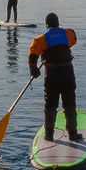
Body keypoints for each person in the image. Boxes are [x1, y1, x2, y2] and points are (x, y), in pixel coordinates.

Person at [28, 12, 82, 144]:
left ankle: (49, 135)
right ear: (58, 23)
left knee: (51, 104)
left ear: (46, 25)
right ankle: (73, 134)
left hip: (52, 74)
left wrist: (34, 70)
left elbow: (32, 58)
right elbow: (73, 41)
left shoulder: (40, 40)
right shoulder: (68, 33)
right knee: (69, 103)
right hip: (67, 72)